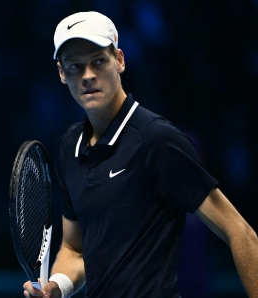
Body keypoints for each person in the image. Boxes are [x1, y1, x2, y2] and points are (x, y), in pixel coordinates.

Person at [22, 11, 258, 298]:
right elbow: (74, 249)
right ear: (61, 72)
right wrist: (56, 287)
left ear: (119, 60)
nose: (88, 76)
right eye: (75, 66)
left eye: (99, 61)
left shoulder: (156, 139)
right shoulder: (68, 147)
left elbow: (240, 232)